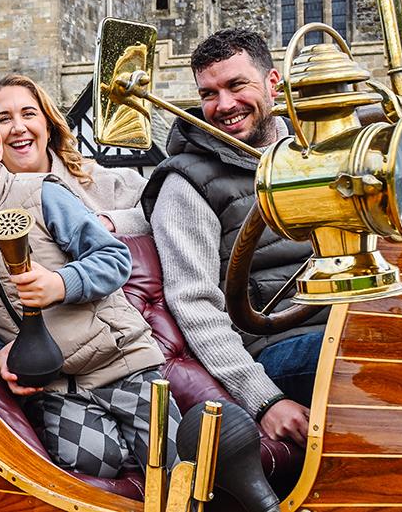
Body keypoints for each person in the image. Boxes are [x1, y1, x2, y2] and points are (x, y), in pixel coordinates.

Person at [0, 86, 177, 480]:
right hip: (56, 387)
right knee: (92, 462)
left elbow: (114, 259)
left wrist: (60, 283)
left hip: (120, 360)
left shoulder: (41, 194)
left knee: (174, 463)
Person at [140, 27, 326, 446]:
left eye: (236, 85)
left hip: (350, 323)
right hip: (279, 348)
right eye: (209, 93)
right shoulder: (187, 183)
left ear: (273, 84)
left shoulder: (316, 153)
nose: (224, 105)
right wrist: (265, 401)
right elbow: (194, 304)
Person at [0, 74, 149, 235]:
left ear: (48, 126)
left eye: (28, 114)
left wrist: (112, 221)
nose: (19, 128)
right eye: (4, 119)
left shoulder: (95, 180)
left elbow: (163, 204)